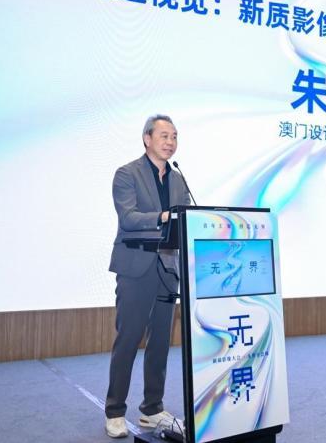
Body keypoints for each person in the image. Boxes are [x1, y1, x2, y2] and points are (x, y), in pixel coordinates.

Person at [105, 115, 191, 438]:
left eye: (174, 136)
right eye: (164, 135)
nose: (170, 142)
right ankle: (115, 411)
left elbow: (185, 219)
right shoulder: (127, 174)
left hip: (168, 269)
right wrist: (164, 216)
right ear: (147, 138)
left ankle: (152, 409)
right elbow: (128, 218)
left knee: (160, 342)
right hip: (135, 267)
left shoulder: (178, 179)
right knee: (128, 339)